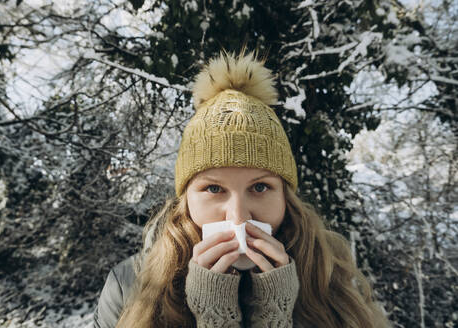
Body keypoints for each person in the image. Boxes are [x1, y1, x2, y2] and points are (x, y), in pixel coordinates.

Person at [93, 47, 391, 328]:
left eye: (260, 187)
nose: (237, 218)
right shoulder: (129, 287)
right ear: (186, 200)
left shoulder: (333, 281)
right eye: (213, 189)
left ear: (286, 197)